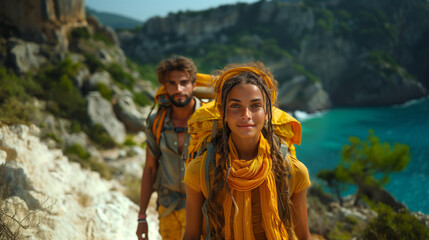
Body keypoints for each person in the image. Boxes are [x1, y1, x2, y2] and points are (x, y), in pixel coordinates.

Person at [183, 62, 312, 240]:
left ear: (267, 112)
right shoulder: (200, 170)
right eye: (235, 106)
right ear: (223, 113)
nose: (246, 115)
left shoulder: (294, 172)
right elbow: (190, 235)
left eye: (255, 106)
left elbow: (303, 236)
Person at [137, 55, 201, 240]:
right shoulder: (156, 122)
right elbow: (150, 168)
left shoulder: (208, 121)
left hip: (202, 209)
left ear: (194, 85)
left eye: (184, 82)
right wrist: (142, 217)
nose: (178, 89)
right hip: (168, 208)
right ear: (165, 87)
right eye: (172, 83)